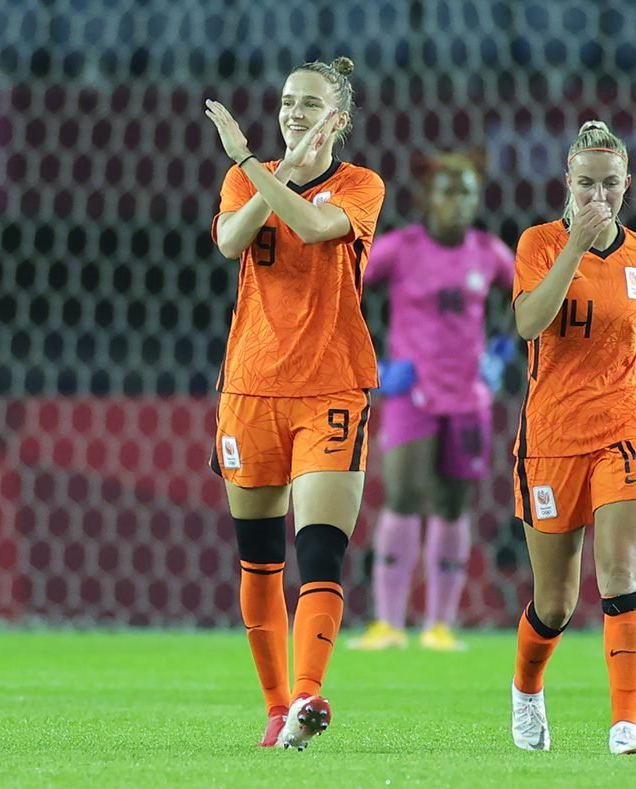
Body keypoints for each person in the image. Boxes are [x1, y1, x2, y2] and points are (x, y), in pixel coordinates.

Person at [203, 56, 385, 750]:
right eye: (287, 101)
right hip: (249, 389)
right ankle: (277, 706)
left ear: (338, 118)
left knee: (320, 551)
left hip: (331, 386)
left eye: (310, 104)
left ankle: (310, 692)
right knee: (258, 561)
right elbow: (227, 240)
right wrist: (262, 168)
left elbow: (312, 227)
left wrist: (252, 160)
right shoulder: (244, 179)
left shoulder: (361, 185)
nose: (293, 114)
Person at [509, 120, 636, 755]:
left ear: (628, 185)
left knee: (619, 571)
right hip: (551, 438)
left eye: (610, 185)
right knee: (556, 602)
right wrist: (576, 248)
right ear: (567, 181)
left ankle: (624, 723)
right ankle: (528, 691)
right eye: (586, 183)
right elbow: (530, 321)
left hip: (623, 425)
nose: (598, 196)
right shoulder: (539, 242)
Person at [348, 153, 516, 653]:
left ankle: (440, 626)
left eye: (466, 191)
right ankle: (389, 624)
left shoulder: (489, 253)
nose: (458, 201)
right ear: (426, 198)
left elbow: (522, 298)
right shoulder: (399, 250)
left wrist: (501, 352)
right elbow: (342, 292)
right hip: (411, 393)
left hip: (468, 397)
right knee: (401, 496)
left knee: (452, 504)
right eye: (448, 191)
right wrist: (373, 363)